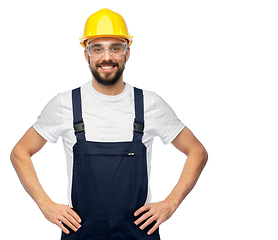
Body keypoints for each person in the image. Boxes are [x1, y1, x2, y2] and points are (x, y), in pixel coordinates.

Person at [11, 8, 208, 240]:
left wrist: (170, 204)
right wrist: (45, 205)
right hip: (80, 231)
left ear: (127, 53)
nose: (107, 57)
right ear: (87, 55)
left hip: (138, 231)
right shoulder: (64, 104)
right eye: (97, 49)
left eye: (116, 48)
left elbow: (197, 151)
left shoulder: (149, 104)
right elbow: (20, 152)